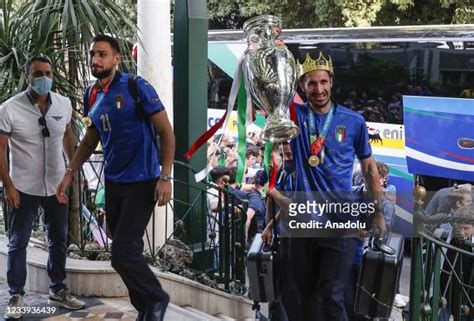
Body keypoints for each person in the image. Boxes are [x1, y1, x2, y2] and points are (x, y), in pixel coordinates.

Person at [56, 35, 175, 321]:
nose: (95, 60)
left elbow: (166, 132)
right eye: (93, 54)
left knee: (121, 252)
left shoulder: (136, 87)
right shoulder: (91, 94)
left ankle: (158, 298)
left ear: (116, 58)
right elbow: (90, 138)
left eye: (102, 54)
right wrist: (70, 171)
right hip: (114, 182)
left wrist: (165, 176)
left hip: (143, 180)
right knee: (125, 249)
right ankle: (145, 308)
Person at [281, 51, 386, 321]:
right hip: (304, 221)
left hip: (341, 220)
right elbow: (272, 97)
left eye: (323, 82)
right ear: (302, 87)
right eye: (312, 83)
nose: (319, 89)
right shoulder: (292, 116)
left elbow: (369, 168)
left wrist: (379, 213)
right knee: (304, 296)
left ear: (331, 82)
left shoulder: (354, 121)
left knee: (331, 295)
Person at [0, 55, 85, 318]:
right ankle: (16, 295)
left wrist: (71, 172)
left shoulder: (63, 103)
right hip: (23, 186)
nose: (44, 78)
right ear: (27, 77)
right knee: (18, 241)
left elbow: (68, 136)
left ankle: (58, 289)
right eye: (38, 73)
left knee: (58, 239)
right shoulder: (9, 109)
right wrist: (8, 185)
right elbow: (1, 150)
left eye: (48, 72)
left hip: (57, 185)